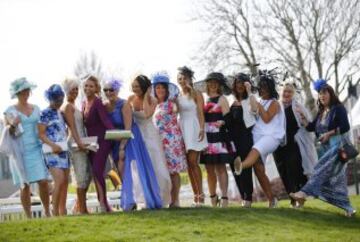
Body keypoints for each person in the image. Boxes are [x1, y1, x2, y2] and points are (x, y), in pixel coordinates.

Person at [290, 79, 356, 217]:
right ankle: (349, 208)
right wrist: (302, 118)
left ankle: (303, 193)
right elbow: (312, 127)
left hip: (338, 148)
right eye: (320, 94)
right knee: (336, 181)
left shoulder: (338, 108)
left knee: (319, 170)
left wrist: (329, 133)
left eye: (324, 93)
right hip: (325, 150)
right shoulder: (321, 112)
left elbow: (345, 126)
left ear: (330, 94)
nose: (322, 96)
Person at [104, 78, 162, 211]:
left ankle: (139, 200)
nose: (108, 92)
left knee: (131, 167)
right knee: (120, 169)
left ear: (117, 90)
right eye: (105, 90)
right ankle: (130, 199)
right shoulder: (105, 105)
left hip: (129, 138)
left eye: (111, 89)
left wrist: (122, 147)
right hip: (114, 140)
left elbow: (128, 127)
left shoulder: (124, 104)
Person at [233, 73, 285, 208]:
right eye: (260, 88)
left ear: (270, 89)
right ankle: (272, 200)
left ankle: (241, 166)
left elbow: (267, 118)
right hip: (258, 135)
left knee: (255, 150)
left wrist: (257, 105)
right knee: (259, 170)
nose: (262, 90)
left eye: (265, 88)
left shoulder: (274, 103)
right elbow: (253, 113)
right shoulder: (258, 101)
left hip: (271, 136)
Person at [3, 77, 50, 218]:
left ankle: (47, 211)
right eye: (22, 91)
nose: (25, 93)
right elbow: (8, 132)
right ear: (17, 94)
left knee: (43, 181)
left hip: (36, 149)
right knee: (25, 185)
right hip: (19, 152)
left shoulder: (36, 108)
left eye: (27, 91)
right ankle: (28, 216)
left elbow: (42, 127)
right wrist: (12, 125)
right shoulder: (9, 111)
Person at [128, 74, 171, 208]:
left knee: (156, 166)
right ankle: (144, 199)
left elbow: (146, 114)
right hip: (136, 135)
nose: (135, 89)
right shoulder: (130, 99)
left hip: (150, 134)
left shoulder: (153, 100)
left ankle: (160, 197)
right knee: (139, 168)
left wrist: (146, 95)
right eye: (133, 86)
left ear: (144, 87)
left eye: (138, 86)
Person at [273, 83, 317, 207]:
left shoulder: (298, 106)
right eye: (285, 91)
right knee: (283, 172)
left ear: (293, 94)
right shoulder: (275, 107)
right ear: (281, 92)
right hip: (278, 145)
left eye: (289, 92)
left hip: (293, 143)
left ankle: (299, 196)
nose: (287, 94)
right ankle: (292, 199)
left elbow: (307, 124)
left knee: (294, 171)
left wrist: (302, 117)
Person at [200, 72, 236, 208]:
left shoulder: (222, 99)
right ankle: (213, 198)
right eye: (210, 82)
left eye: (215, 83)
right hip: (207, 138)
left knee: (221, 168)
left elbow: (229, 118)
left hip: (219, 137)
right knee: (209, 169)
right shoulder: (204, 100)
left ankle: (225, 198)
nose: (213, 85)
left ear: (219, 85)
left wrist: (222, 122)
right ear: (207, 84)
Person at [153, 72, 187, 208]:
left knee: (174, 171)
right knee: (162, 171)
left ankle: (175, 200)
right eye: (157, 88)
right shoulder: (154, 105)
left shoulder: (171, 102)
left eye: (163, 87)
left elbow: (176, 109)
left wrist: (176, 102)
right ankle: (164, 199)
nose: (160, 90)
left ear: (167, 89)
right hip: (159, 140)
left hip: (172, 140)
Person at [82, 75, 114, 212]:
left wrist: (115, 133)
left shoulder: (98, 102)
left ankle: (103, 203)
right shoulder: (83, 103)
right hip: (90, 143)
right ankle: (103, 203)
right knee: (96, 173)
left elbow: (106, 121)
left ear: (96, 88)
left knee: (97, 170)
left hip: (103, 141)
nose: (88, 88)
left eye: (91, 86)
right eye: (86, 86)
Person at [177, 66, 208, 206]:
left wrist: (202, 128)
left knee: (193, 161)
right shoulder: (177, 96)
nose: (182, 81)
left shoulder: (196, 94)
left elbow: (200, 113)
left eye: (184, 78)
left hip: (194, 128)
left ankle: (201, 195)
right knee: (188, 165)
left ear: (190, 79)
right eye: (180, 79)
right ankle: (195, 196)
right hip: (182, 128)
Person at [38, 84, 70, 216]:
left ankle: (60, 211)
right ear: (50, 98)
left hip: (63, 151)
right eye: (57, 99)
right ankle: (54, 211)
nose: (60, 101)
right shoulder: (44, 113)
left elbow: (66, 130)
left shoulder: (61, 113)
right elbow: (41, 134)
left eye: (62, 98)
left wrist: (65, 142)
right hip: (51, 152)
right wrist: (53, 145)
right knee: (59, 179)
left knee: (64, 182)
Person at [61, 78, 92, 214]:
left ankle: (79, 206)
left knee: (87, 175)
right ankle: (82, 210)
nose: (75, 91)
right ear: (66, 90)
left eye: (76, 89)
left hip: (83, 140)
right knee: (81, 176)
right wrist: (79, 141)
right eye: (72, 89)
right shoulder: (67, 106)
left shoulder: (75, 105)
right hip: (75, 142)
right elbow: (72, 126)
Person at [226, 73, 256, 207]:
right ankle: (242, 195)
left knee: (244, 166)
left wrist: (250, 91)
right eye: (237, 83)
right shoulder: (230, 100)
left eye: (242, 83)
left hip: (245, 136)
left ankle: (248, 197)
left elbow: (255, 110)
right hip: (232, 137)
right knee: (234, 166)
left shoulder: (250, 99)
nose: (239, 86)